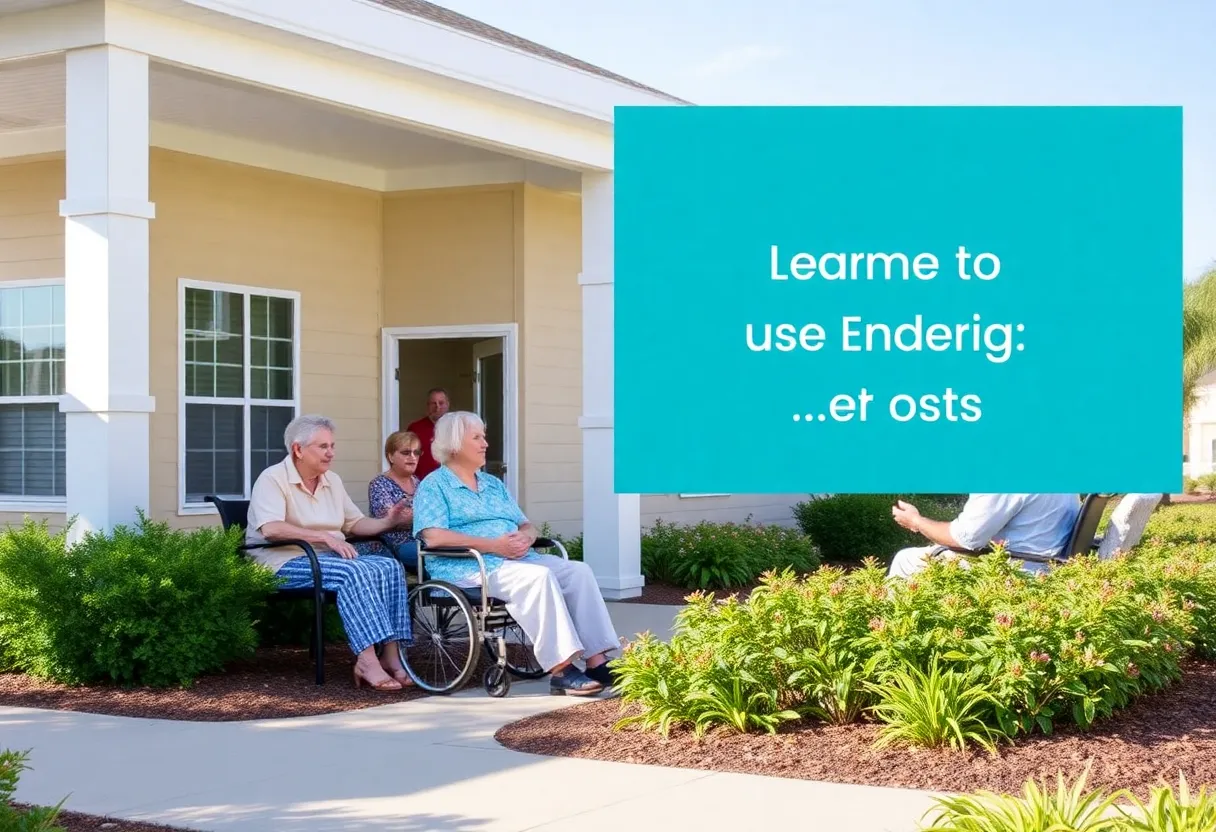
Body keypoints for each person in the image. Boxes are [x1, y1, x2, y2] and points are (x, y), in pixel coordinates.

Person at [412, 411, 621, 696]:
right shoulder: (434, 486)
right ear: (454, 444)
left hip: (516, 558)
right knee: (538, 577)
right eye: (477, 437)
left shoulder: (493, 484)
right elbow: (433, 536)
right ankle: (561, 670)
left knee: (578, 571)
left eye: (483, 436)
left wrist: (525, 537)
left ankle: (597, 661)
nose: (485, 443)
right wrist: (494, 545)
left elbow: (526, 524)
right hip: (469, 567)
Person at [246, 414, 417, 691]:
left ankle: (391, 654)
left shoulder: (332, 480)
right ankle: (366, 660)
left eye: (332, 446)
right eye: (323, 446)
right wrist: (323, 537)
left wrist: (390, 521)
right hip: (282, 561)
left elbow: (354, 523)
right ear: (298, 450)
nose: (331, 453)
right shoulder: (273, 478)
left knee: (389, 566)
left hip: (325, 559)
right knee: (354, 571)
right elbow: (271, 529)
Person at [886, 493, 1081, 579]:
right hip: (1047, 563)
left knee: (906, 559)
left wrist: (916, 522)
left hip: (1016, 571)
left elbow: (964, 539)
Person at [367, 430, 423, 571]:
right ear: (390, 456)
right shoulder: (379, 484)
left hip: (424, 540)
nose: (412, 457)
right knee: (435, 557)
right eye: (406, 453)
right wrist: (427, 514)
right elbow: (392, 518)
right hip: (396, 546)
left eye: (416, 453)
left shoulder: (418, 483)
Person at [404, 388, 449, 480]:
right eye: (433, 403)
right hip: (421, 482)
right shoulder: (415, 428)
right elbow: (406, 456)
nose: (437, 407)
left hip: (449, 484)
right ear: (428, 405)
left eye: (441, 403)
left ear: (447, 404)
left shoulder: (456, 428)